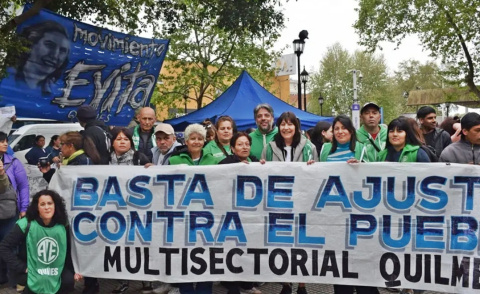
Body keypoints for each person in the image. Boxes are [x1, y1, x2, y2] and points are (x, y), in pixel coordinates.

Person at [0, 189, 81, 294]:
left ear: (55, 206)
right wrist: (21, 267)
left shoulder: (63, 225)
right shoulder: (25, 224)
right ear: (37, 207)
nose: (47, 207)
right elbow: (4, 247)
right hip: (32, 271)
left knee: (68, 280)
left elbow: (71, 249)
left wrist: (75, 270)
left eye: (50, 203)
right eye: (42, 204)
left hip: (57, 269)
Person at [169, 124, 216, 294]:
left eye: (200, 138)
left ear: (204, 141)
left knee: (206, 259)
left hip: (207, 219)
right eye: (193, 138)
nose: (196, 141)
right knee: (184, 260)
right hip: (183, 219)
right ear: (186, 141)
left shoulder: (214, 161)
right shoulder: (174, 160)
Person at [218, 132, 262, 294]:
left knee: (249, 249)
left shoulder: (256, 162)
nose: (245, 147)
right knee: (233, 250)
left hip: (251, 215)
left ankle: (247, 285)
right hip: (231, 216)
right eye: (240, 144)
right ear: (232, 148)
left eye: (247, 144)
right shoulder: (224, 164)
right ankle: (233, 286)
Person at [0, 131, 29, 285]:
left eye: (6, 141)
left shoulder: (13, 162)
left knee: (10, 245)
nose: (5, 143)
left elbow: (23, 186)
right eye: (2, 141)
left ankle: (13, 279)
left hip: (11, 212)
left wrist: (24, 208)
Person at [14, 21, 70, 95]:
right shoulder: (7, 77)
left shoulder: (56, 94)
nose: (55, 55)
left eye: (62, 51)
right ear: (32, 44)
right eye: (50, 45)